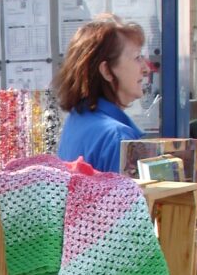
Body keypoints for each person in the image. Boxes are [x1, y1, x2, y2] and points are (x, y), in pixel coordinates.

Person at [55, 13, 148, 173]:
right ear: (106, 70)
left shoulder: (77, 119)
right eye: (137, 57)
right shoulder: (118, 137)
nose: (145, 68)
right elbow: (130, 198)